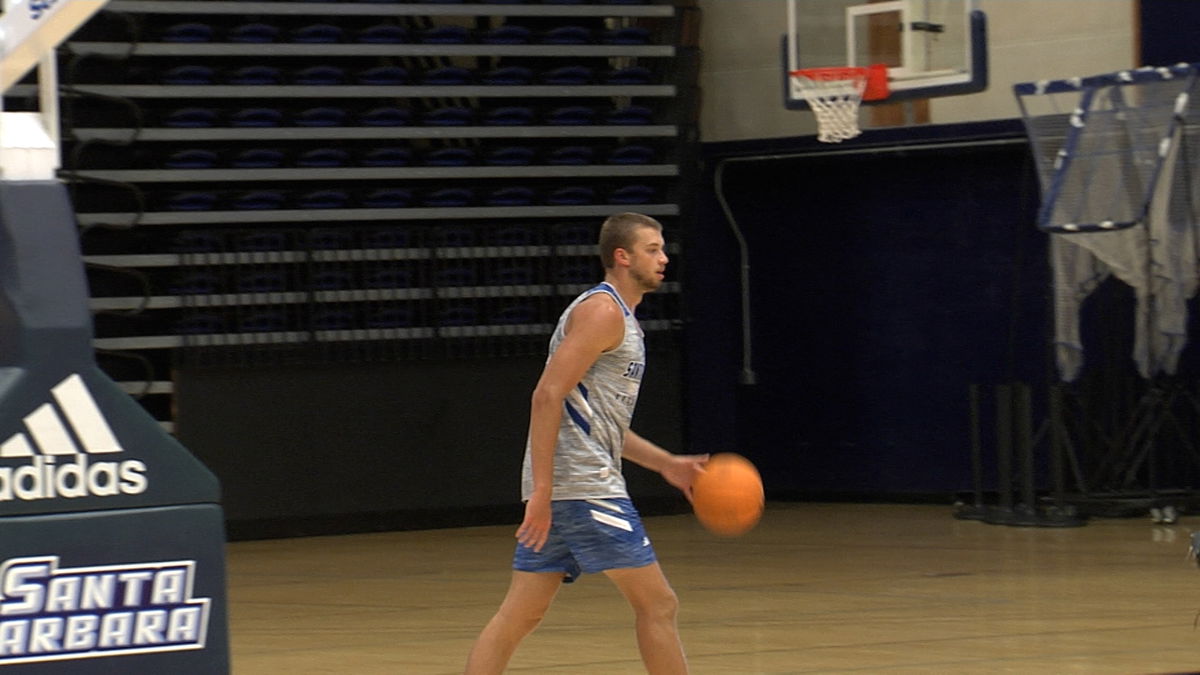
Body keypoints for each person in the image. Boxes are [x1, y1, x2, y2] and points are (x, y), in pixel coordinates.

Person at [464, 212, 708, 675]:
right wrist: (542, 490)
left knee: (521, 615)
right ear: (622, 256)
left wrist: (665, 464)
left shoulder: (622, 318)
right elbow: (546, 394)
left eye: (662, 248)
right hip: (584, 488)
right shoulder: (603, 312)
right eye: (652, 249)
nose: (664, 258)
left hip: (568, 488)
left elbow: (602, 424)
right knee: (658, 604)